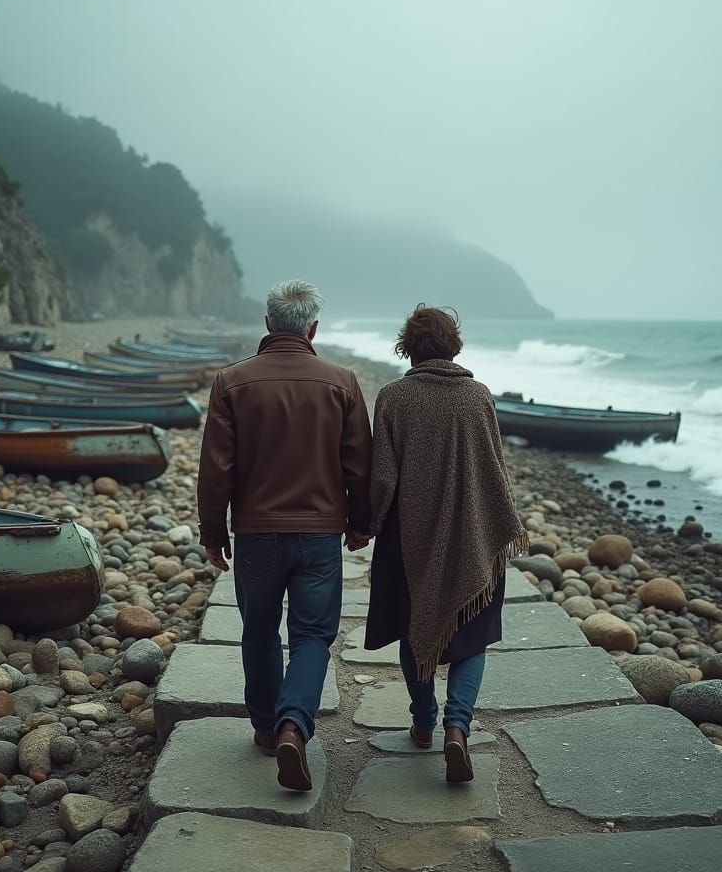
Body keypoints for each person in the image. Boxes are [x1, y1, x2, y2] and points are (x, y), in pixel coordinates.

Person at [197, 280, 373, 792]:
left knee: (258, 630)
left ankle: (267, 728)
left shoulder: (232, 382)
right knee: (313, 635)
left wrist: (213, 531)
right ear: (313, 328)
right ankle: (295, 722)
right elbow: (359, 464)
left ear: (268, 323)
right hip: (319, 535)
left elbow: (216, 469)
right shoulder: (341, 382)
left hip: (255, 533)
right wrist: (361, 522)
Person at [364, 305, 527, 783]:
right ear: (453, 343)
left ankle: (422, 720)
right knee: (472, 634)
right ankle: (458, 728)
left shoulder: (393, 398)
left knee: (413, 627)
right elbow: (494, 466)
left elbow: (383, 478)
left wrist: (367, 524)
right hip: (472, 534)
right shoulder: (479, 397)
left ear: (407, 346)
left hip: (407, 540)